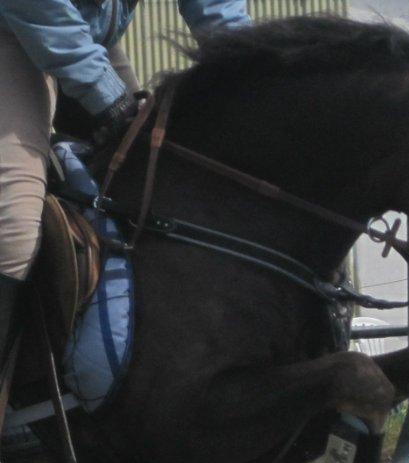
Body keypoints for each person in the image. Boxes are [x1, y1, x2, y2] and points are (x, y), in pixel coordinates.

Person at [0, 1, 250, 392]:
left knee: (153, 182)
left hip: (88, 36)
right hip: (15, 27)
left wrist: (254, 71)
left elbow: (218, 11)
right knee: (12, 229)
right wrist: (110, 100)